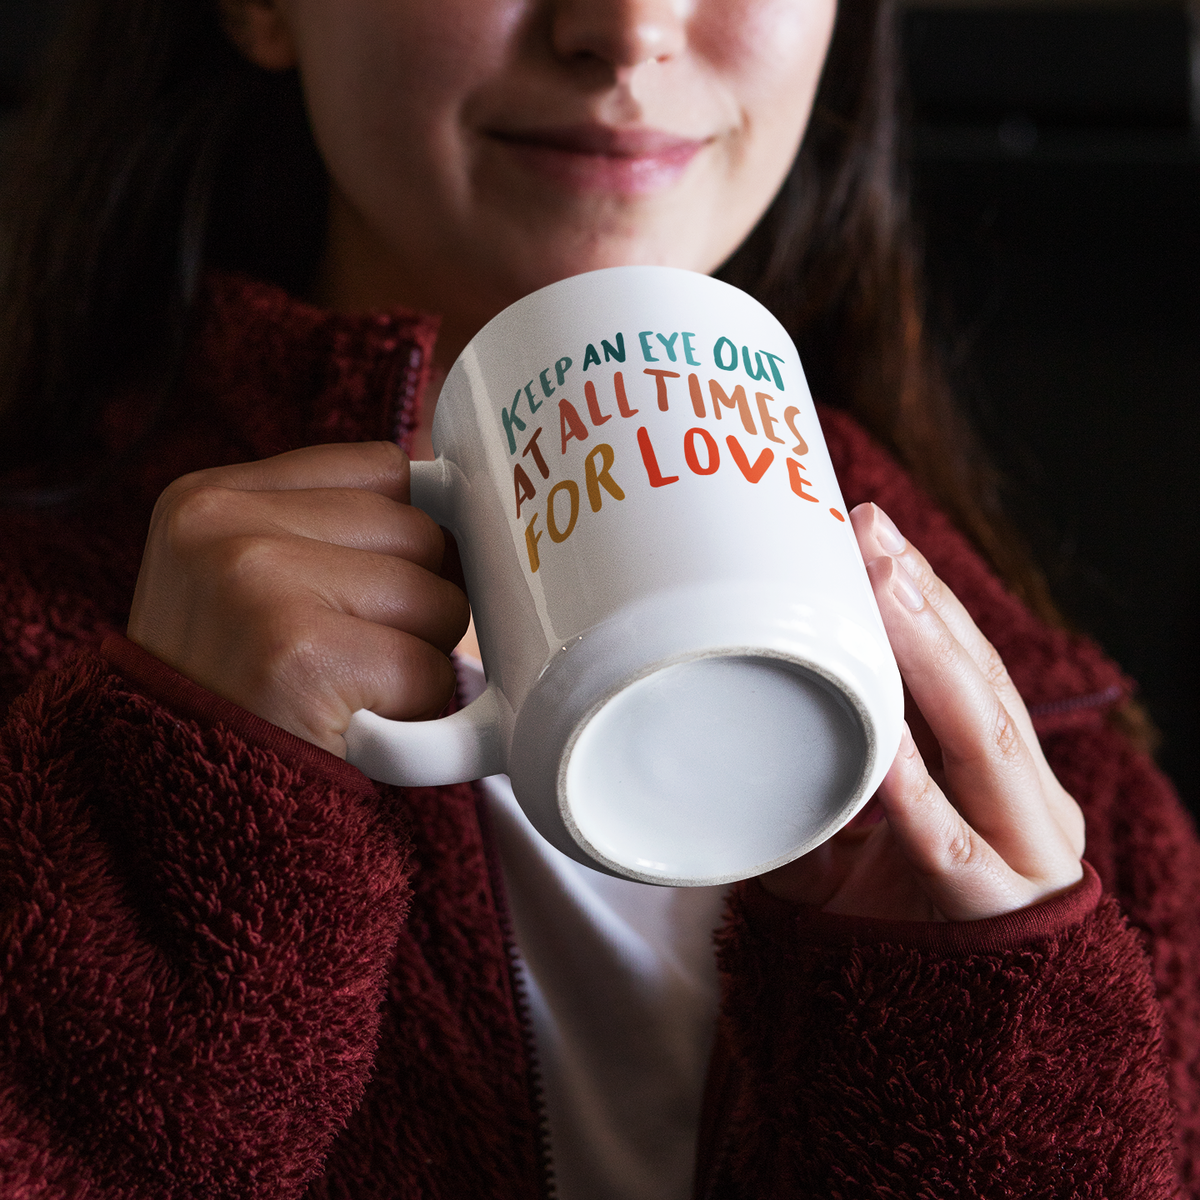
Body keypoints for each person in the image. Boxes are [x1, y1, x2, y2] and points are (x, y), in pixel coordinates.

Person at [0, 0, 1196, 1196]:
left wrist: (993, 1065)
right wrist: (171, 857)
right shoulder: (52, 683)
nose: (628, 31)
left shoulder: (1065, 791)